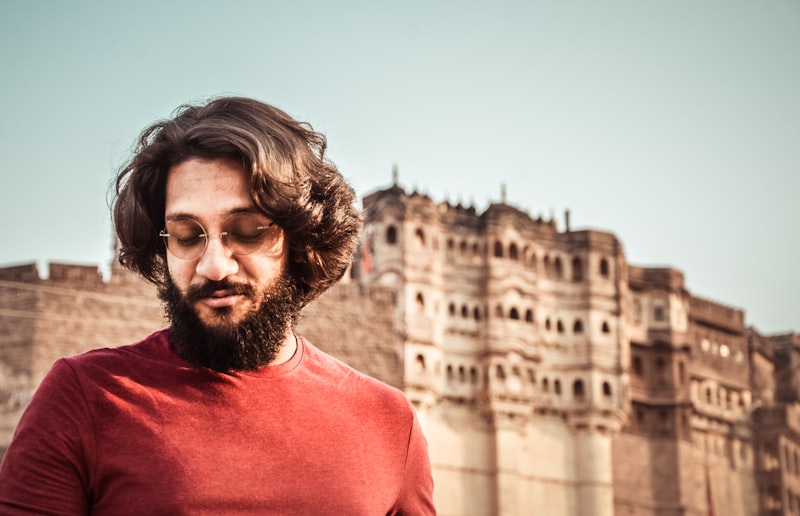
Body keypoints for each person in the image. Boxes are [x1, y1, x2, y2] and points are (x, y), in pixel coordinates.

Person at [0, 97, 435, 514]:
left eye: (247, 231)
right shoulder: (84, 398)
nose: (214, 266)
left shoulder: (389, 424)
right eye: (187, 236)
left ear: (299, 242)